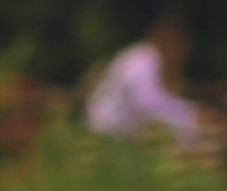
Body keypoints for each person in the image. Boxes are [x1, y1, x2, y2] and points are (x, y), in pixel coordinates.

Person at [83, 17, 208, 148]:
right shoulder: (143, 61)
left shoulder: (141, 56)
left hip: (113, 128)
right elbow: (149, 103)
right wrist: (190, 114)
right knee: (191, 136)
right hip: (110, 131)